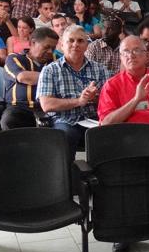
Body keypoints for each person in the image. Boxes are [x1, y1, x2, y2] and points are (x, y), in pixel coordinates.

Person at [97, 35, 149, 252]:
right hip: (125, 142)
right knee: (118, 173)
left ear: (147, 56)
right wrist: (135, 100)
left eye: (136, 51)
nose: (131, 55)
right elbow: (106, 124)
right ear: (120, 57)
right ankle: (122, 233)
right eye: (126, 52)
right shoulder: (112, 85)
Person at [38, 25, 109, 160]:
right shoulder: (50, 70)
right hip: (65, 120)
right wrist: (79, 101)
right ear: (62, 45)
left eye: (80, 41)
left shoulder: (100, 69)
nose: (75, 44)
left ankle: (101, 176)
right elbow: (47, 105)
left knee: (109, 133)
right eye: (71, 40)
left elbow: (111, 101)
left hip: (94, 119)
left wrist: (94, 98)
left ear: (87, 45)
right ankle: (66, 176)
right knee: (66, 135)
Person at [1, 27, 59, 129]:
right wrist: (55, 77)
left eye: (53, 48)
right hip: (19, 108)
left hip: (48, 108)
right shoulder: (14, 58)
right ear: (32, 43)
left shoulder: (56, 60)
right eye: (46, 47)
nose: (50, 51)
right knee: (9, 121)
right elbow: (24, 77)